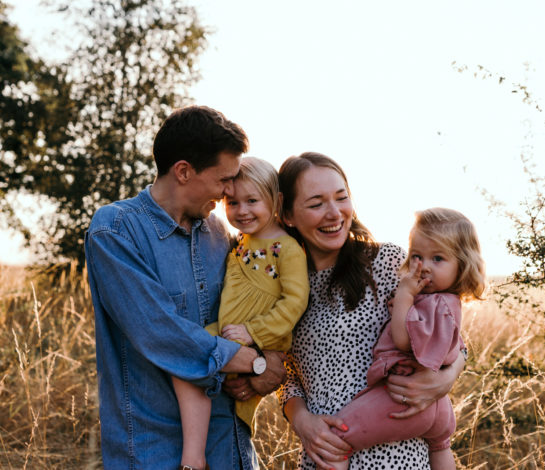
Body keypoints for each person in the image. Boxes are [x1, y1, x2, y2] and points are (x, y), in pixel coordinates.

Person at [85, 106, 285, 470]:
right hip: (154, 449)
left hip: (230, 445)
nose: (228, 192)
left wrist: (271, 358)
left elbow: (253, 304)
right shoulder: (115, 230)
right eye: (223, 180)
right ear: (183, 171)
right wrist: (254, 362)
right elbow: (159, 331)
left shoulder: (219, 234)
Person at [275, 152, 467, 469]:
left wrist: (447, 377)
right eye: (316, 203)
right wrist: (302, 421)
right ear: (288, 214)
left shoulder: (388, 263)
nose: (334, 213)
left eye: (341, 198)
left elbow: (448, 329)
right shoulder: (283, 285)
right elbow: (288, 375)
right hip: (325, 453)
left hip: (396, 456)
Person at [172, 157, 310, 469]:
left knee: (235, 429)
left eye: (252, 201)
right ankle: (193, 453)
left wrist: (254, 333)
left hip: (256, 342)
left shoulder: (286, 248)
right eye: (232, 202)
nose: (242, 211)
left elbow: (295, 301)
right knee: (184, 358)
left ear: (275, 201)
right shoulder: (239, 242)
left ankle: (197, 454)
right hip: (227, 336)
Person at [326, 207, 486, 470]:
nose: (423, 267)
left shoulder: (437, 305)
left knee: (336, 437)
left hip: (407, 397)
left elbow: (403, 341)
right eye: (416, 256)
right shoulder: (443, 302)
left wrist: (404, 296)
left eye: (438, 258)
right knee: (440, 445)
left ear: (462, 265)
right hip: (438, 407)